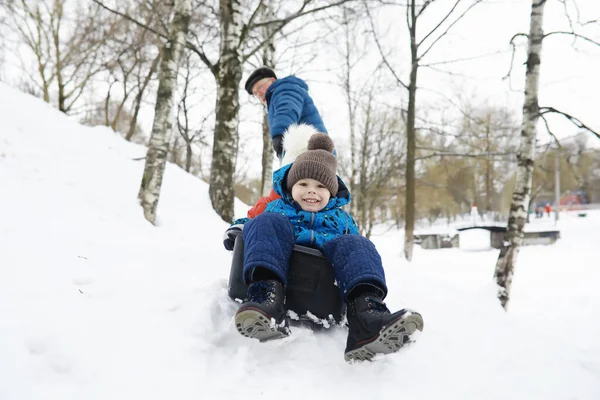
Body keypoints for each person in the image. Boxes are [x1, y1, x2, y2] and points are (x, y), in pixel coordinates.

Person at [223, 133, 424, 362]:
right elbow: (249, 223)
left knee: (358, 244)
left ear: (331, 192)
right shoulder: (276, 207)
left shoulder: (343, 220)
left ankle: (367, 317)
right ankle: (266, 300)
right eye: (303, 184)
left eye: (320, 186)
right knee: (267, 222)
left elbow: (356, 259)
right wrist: (237, 230)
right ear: (290, 186)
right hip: (278, 267)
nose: (311, 191)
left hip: (323, 288)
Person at [244, 67, 328, 160]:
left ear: (272, 80)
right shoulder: (274, 101)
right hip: (310, 152)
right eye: (255, 93)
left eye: (260, 87)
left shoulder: (285, 88)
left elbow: (287, 107)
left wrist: (280, 132)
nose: (258, 94)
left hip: (313, 150)